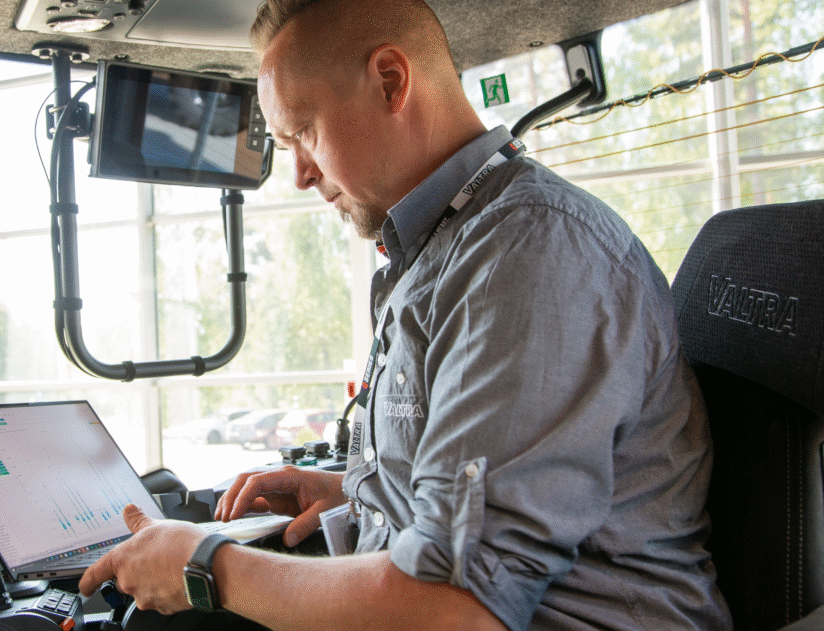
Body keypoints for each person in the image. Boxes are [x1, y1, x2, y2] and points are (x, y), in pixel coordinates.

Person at [79, 0, 733, 629]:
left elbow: (453, 611)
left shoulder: (528, 253)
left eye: (302, 131)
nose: (300, 175)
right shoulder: (446, 250)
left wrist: (205, 567)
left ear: (390, 81)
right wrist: (355, 492)